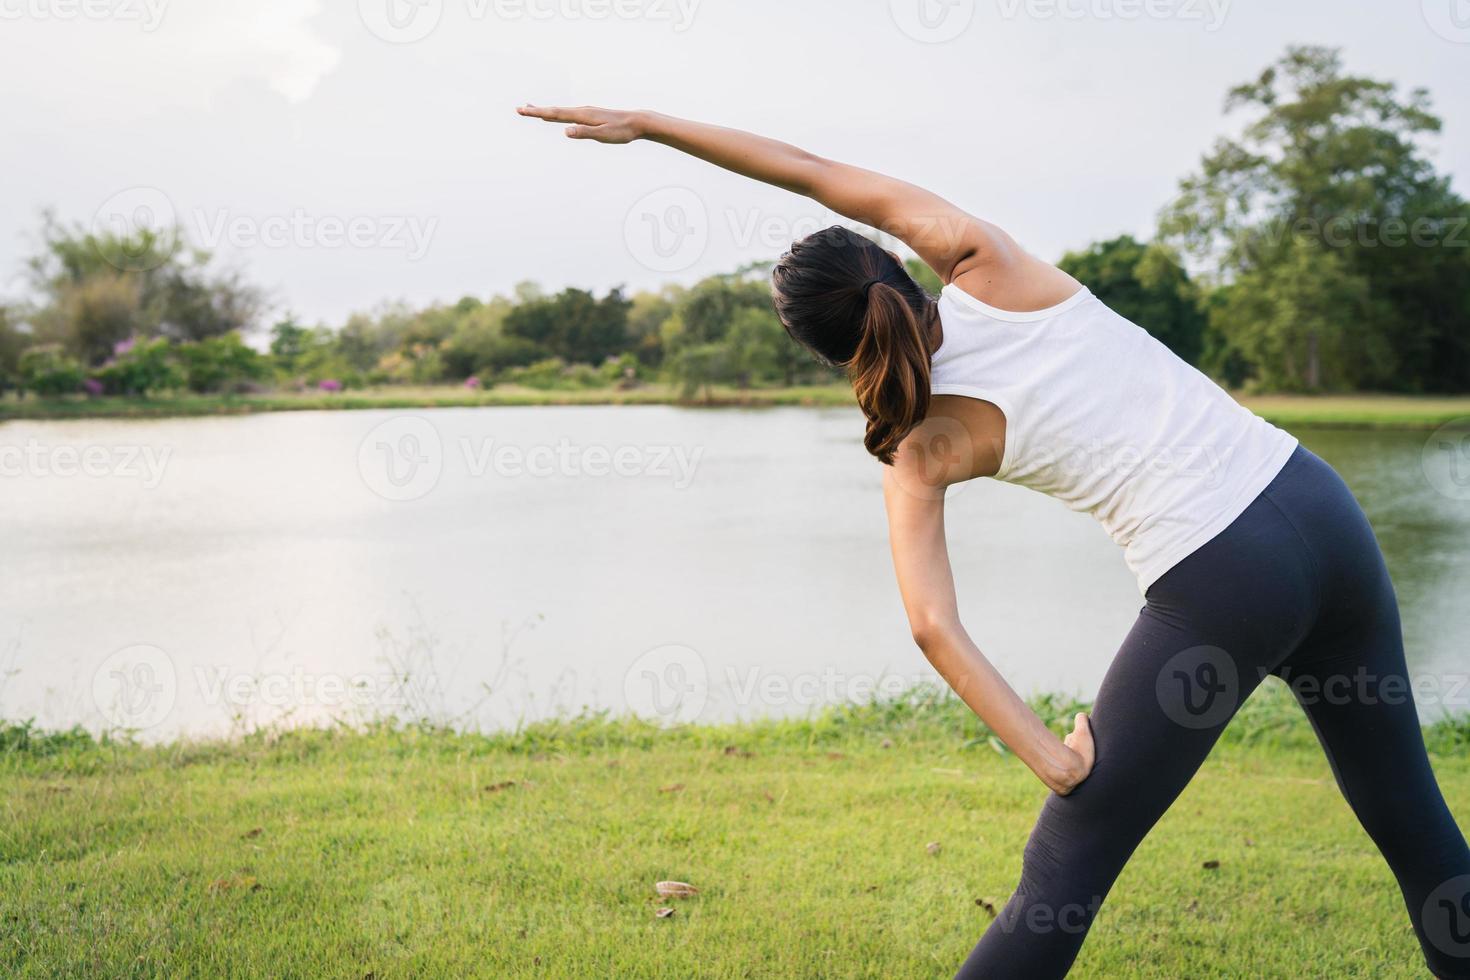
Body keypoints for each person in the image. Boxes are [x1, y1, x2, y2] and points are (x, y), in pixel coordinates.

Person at [518, 104, 1470, 978]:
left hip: (1221, 578)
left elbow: (934, 626)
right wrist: (649, 124)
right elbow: (805, 168)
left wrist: (1048, 758)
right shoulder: (986, 263)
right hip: (1320, 506)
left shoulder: (915, 448)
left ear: (826, 350)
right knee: (1410, 822)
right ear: (891, 262)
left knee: (1062, 873)